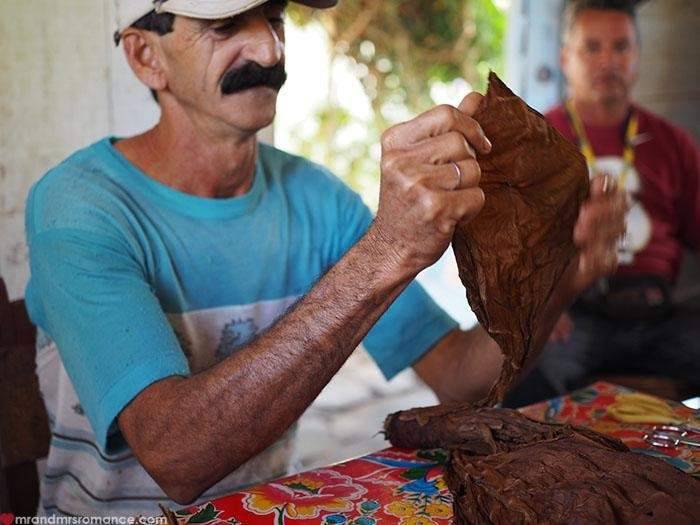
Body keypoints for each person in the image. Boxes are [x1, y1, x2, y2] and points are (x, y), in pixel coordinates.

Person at [24, 0, 624, 516]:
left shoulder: (314, 199)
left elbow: (462, 380)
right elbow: (175, 458)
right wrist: (386, 252)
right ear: (144, 57)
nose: (266, 44)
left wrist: (564, 274)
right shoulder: (78, 206)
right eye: (225, 24)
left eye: (275, 16)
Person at [504, 0, 700, 408]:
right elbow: (509, 251)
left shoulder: (673, 143)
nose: (608, 60)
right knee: (524, 367)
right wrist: (542, 308)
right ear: (564, 58)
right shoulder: (535, 141)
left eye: (621, 47)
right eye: (592, 47)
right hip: (573, 315)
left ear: (638, 56)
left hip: (658, 315)